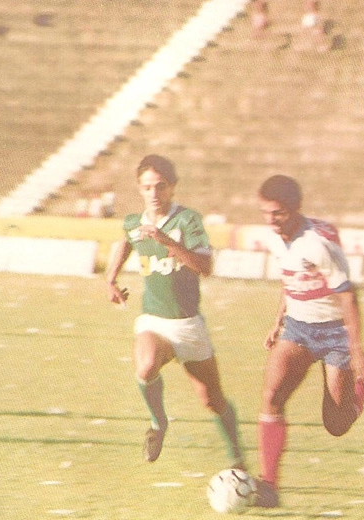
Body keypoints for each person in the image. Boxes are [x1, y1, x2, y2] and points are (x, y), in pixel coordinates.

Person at [106, 154, 245, 468]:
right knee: (145, 366)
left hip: (188, 324)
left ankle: (237, 458)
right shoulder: (134, 222)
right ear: (139, 189)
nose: (154, 193)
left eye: (161, 186)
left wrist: (169, 243)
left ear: (172, 187)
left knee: (212, 400)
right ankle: (158, 423)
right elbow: (125, 241)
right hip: (154, 320)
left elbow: (205, 267)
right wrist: (111, 278)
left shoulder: (188, 220)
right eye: (147, 187)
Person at [255, 174, 364, 507]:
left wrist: (357, 355)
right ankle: (268, 485)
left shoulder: (318, 243)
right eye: (266, 213)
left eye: (278, 213)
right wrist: (277, 320)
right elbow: (290, 278)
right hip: (298, 330)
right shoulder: (277, 239)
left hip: (335, 332)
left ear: (295, 208)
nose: (271, 220)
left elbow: (348, 297)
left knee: (336, 425)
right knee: (272, 397)